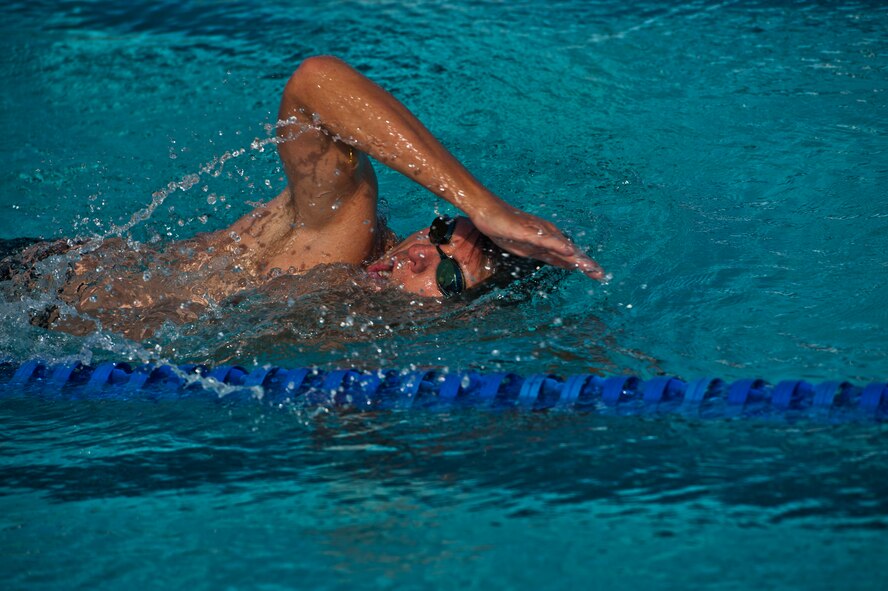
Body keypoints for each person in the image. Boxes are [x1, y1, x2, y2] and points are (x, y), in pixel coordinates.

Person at [2, 56, 605, 338]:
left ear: (463, 314)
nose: (423, 256)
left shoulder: (360, 324)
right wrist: (483, 205)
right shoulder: (344, 232)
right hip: (23, 286)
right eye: (445, 233)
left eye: (447, 280)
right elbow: (315, 83)